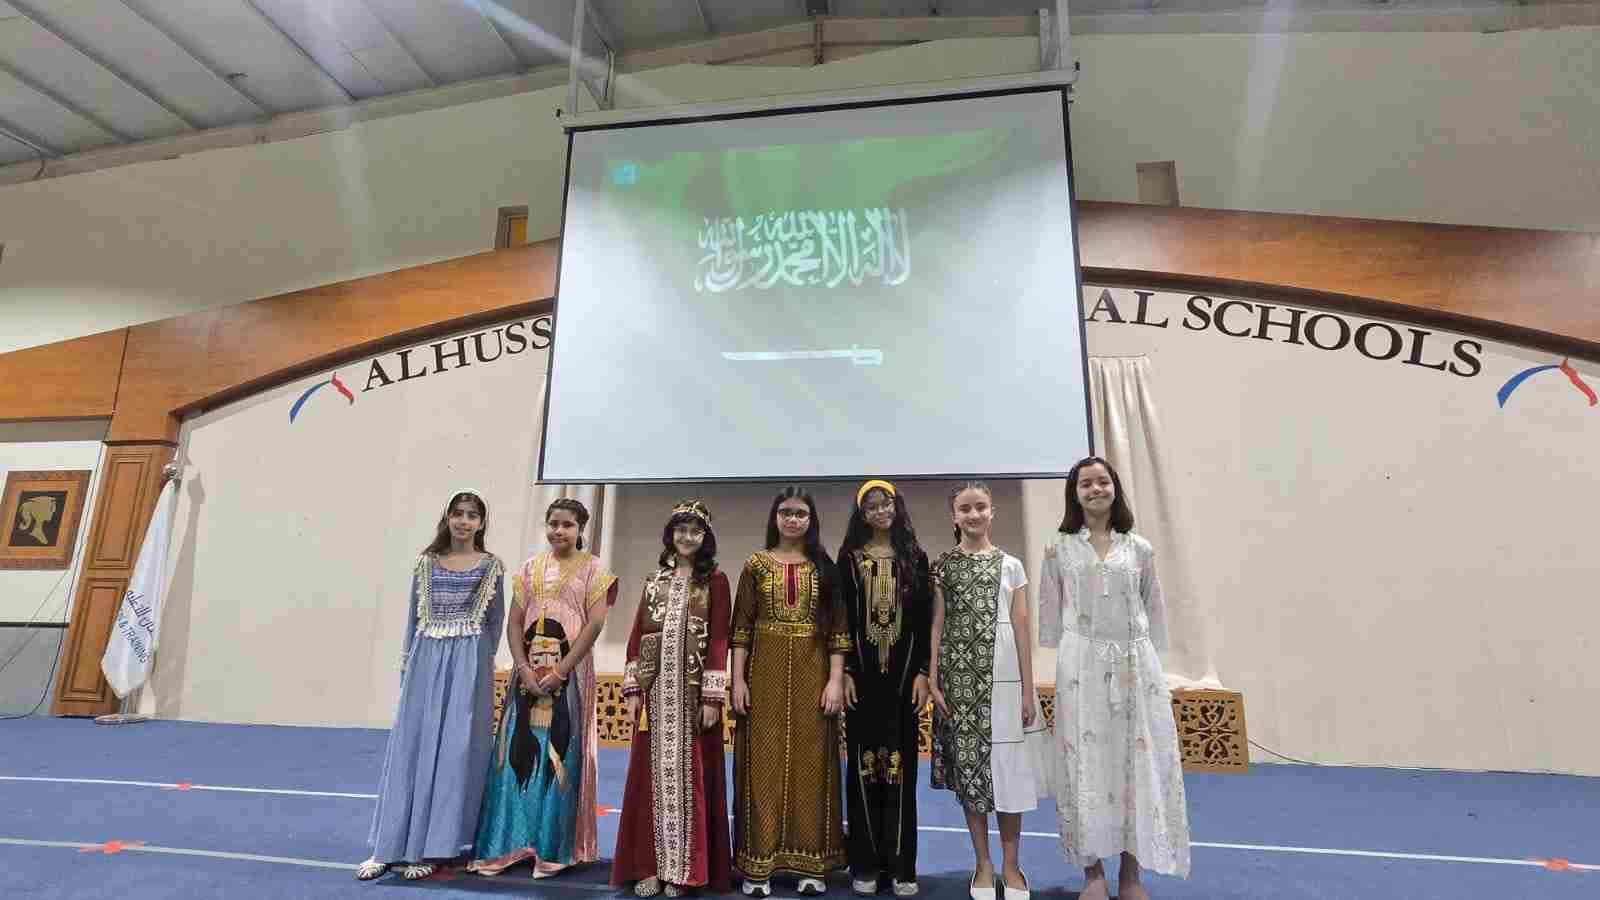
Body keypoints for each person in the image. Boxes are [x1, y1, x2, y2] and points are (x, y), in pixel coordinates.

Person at [1038, 457, 1191, 900]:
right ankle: (1092, 873)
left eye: (1102, 481)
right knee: (1084, 764)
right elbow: (1051, 611)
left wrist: (1148, 660)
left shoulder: (1139, 548)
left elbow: (1153, 607)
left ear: (1115, 488)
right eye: (1085, 483)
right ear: (1074, 494)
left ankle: (1131, 873)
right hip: (1081, 666)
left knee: (1135, 765)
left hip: (1134, 665)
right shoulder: (1059, 548)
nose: (1095, 489)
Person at [360, 490, 506, 882]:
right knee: (410, 748)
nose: (463, 521)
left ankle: (431, 848)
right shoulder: (425, 563)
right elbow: (413, 619)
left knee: (453, 754)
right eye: (457, 513)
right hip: (426, 661)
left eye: (471, 515)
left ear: (481, 523)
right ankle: (388, 846)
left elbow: (494, 624)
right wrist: (408, 666)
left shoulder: (491, 567)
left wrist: (476, 668)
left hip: (467, 667)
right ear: (447, 518)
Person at [469, 498, 619, 878]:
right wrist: (523, 669)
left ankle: (553, 850)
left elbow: (594, 625)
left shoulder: (595, 570)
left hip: (570, 677)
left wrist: (562, 671)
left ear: (581, 529)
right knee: (513, 756)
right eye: (553, 524)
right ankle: (505, 844)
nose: (559, 531)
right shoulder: (529, 568)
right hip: (527, 677)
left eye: (567, 525)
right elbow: (514, 623)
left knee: (560, 758)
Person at [929, 481, 1049, 900]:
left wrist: (1028, 691)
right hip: (959, 683)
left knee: (1009, 772)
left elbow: (1021, 627)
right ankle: (983, 864)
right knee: (971, 775)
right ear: (954, 516)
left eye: (981, 506)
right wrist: (933, 678)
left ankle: (1012, 866)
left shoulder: (1012, 565)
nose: (974, 514)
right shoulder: (942, 566)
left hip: (1004, 680)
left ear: (992, 512)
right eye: (965, 508)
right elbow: (937, 624)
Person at [730, 487, 850, 897]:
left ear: (811, 520)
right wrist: (738, 680)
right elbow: (741, 629)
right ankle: (758, 866)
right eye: (786, 512)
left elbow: (838, 630)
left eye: (800, 513)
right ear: (775, 517)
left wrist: (835, 680)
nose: (793, 519)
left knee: (812, 766)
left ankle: (810, 865)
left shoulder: (824, 568)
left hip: (815, 677)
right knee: (760, 766)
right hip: (762, 676)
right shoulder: (756, 565)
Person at [612, 500, 734, 897]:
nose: (687, 537)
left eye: (695, 530)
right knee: (648, 782)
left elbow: (720, 639)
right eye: (681, 529)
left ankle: (683, 870)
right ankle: (649, 867)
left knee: (692, 780)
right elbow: (637, 635)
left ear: (705, 537)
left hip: (694, 698)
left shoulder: (716, 581)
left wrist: (713, 697)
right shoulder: (655, 580)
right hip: (655, 696)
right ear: (670, 534)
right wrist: (633, 688)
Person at [836, 480, 931, 897]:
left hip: (904, 681)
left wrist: (924, 671)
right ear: (862, 514)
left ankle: (901, 866)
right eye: (871, 506)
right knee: (863, 770)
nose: (880, 511)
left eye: (886, 503)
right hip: (861, 682)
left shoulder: (914, 557)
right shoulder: (849, 559)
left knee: (901, 771)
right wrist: (845, 671)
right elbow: (841, 618)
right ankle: (865, 863)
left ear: (897, 507)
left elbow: (925, 620)